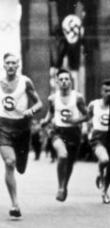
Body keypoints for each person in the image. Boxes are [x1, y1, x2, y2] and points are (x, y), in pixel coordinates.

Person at [0, 52, 42, 217]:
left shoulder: (25, 82)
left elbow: (39, 103)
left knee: (21, 167)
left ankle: (20, 167)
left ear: (18, 66)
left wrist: (31, 110)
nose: (10, 66)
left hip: (23, 128)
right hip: (4, 127)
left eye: (14, 63)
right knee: (9, 162)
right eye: (8, 63)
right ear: (4, 66)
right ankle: (15, 204)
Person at [39, 68, 88, 202]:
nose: (64, 82)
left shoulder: (77, 97)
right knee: (62, 155)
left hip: (73, 132)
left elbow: (87, 115)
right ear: (57, 82)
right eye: (61, 79)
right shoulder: (52, 98)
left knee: (70, 163)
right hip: (58, 131)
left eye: (66, 79)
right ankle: (60, 187)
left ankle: (64, 186)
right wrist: (45, 120)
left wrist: (76, 120)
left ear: (70, 81)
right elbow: (51, 112)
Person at [86, 79, 110, 204]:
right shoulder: (93, 104)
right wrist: (87, 131)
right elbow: (86, 117)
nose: (109, 93)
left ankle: (104, 192)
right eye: (106, 91)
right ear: (101, 92)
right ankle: (100, 172)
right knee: (105, 160)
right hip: (98, 137)